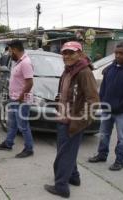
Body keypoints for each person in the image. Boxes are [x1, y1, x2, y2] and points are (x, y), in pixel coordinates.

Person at [44, 41, 99, 198]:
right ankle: (74, 178)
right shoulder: (69, 70)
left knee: (63, 156)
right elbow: (68, 92)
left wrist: (77, 122)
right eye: (65, 53)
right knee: (68, 152)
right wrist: (58, 100)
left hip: (72, 121)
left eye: (71, 52)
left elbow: (93, 101)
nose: (67, 56)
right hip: (63, 118)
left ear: (80, 54)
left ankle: (61, 186)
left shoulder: (84, 72)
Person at [88, 41, 123, 171]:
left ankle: (120, 160)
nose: (118, 56)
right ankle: (102, 155)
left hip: (122, 111)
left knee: (122, 137)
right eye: (116, 53)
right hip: (107, 109)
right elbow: (104, 87)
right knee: (103, 134)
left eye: (121, 53)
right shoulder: (111, 68)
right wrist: (102, 101)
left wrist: (122, 106)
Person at [0, 40, 35, 158]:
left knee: (23, 126)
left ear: (15, 50)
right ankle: (8, 143)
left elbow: (30, 83)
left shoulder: (26, 62)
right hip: (14, 99)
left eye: (11, 51)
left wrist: (20, 98)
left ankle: (29, 148)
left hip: (21, 101)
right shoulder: (18, 62)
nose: (10, 53)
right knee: (12, 124)